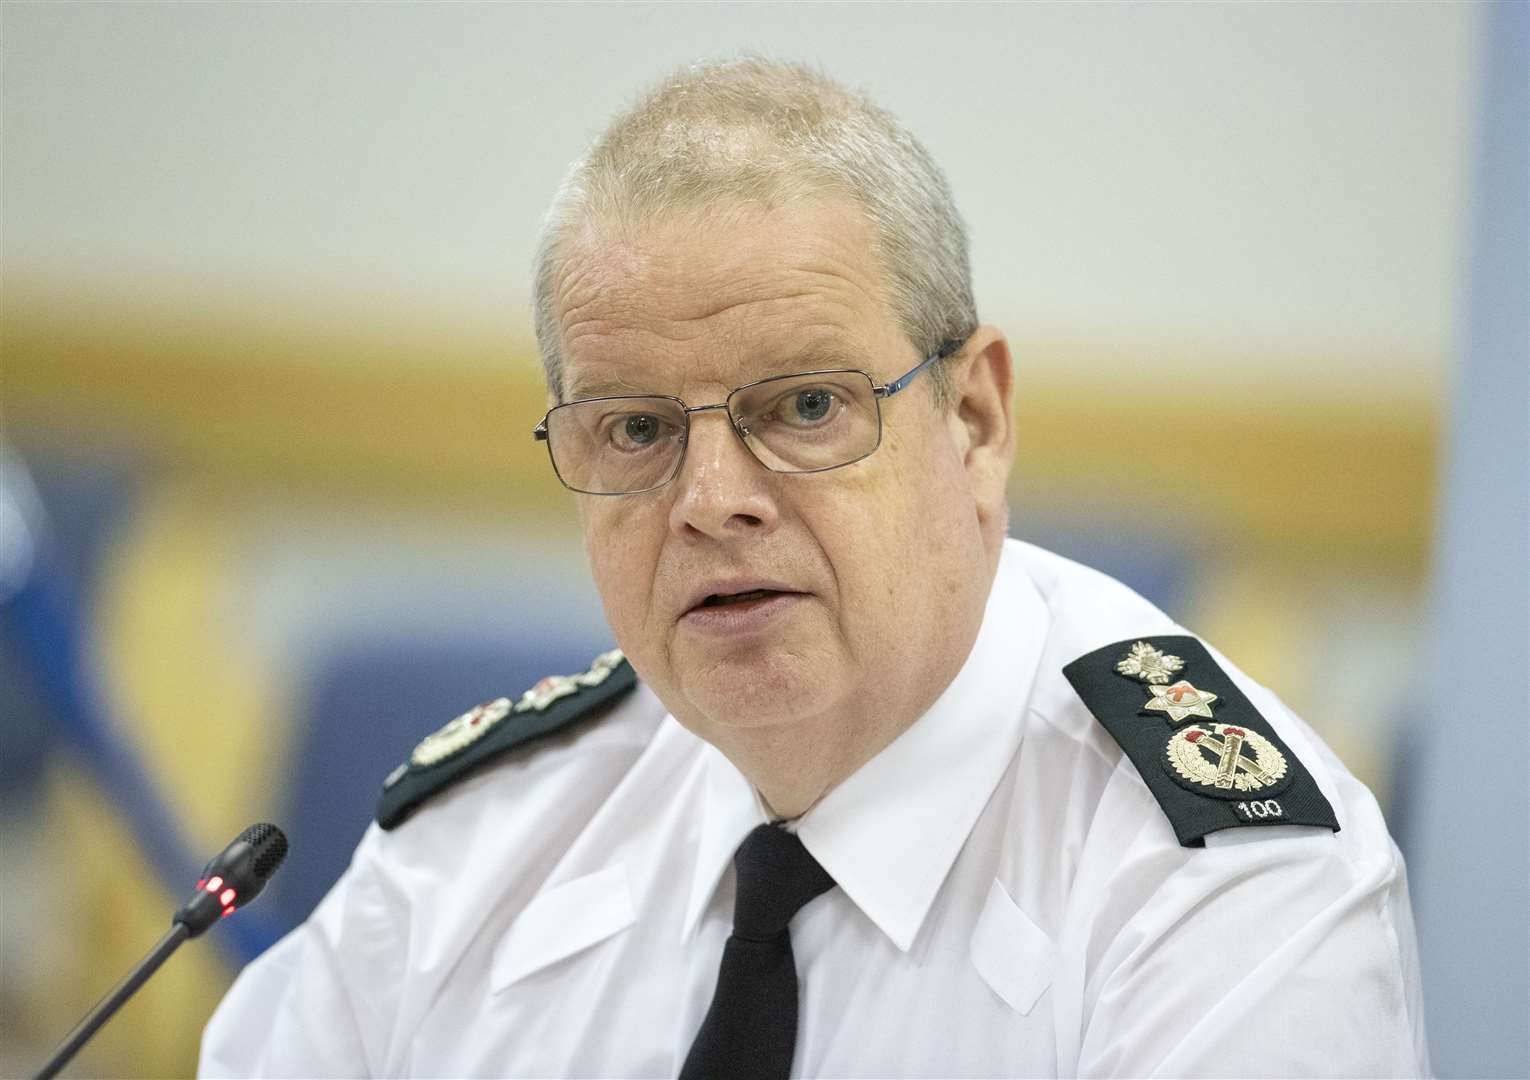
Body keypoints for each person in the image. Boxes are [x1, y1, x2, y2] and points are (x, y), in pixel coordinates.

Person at [200, 58, 1429, 1078]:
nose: (711, 503)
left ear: (977, 422)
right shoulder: (482, 849)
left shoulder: (1223, 894)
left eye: (802, 406)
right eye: (634, 429)